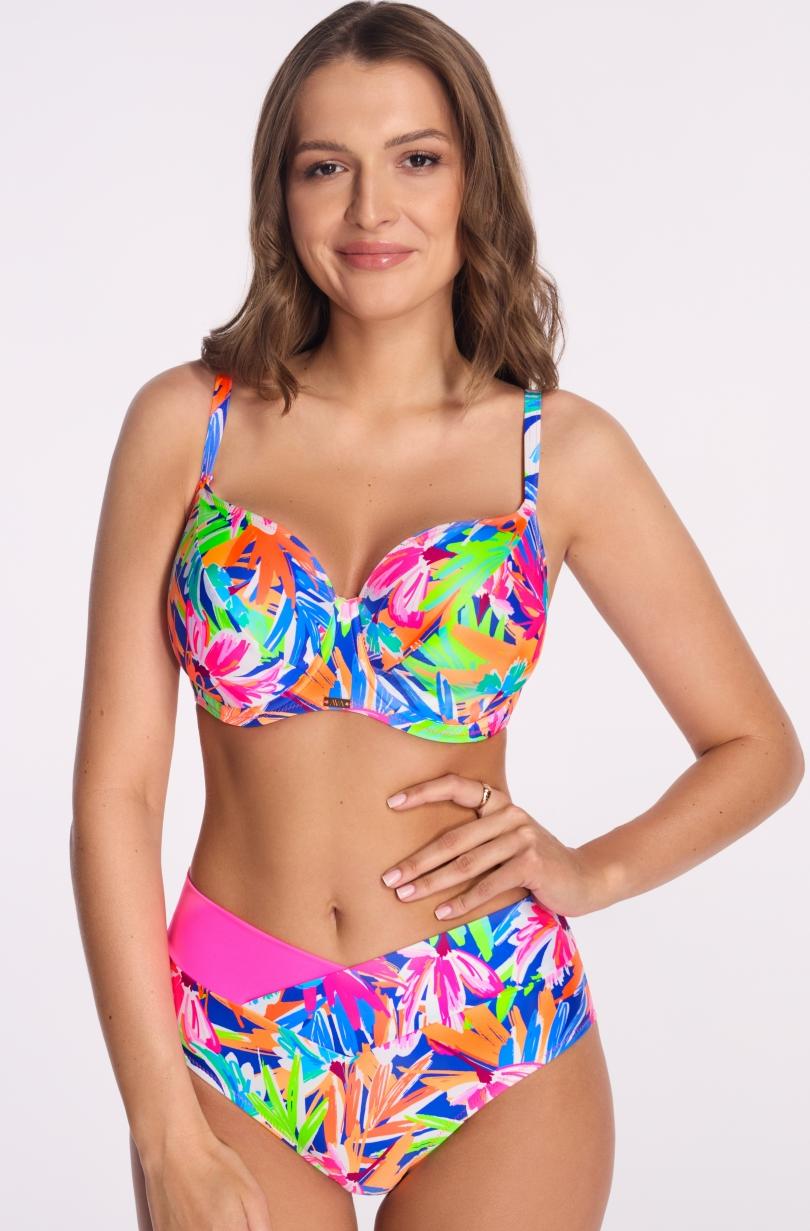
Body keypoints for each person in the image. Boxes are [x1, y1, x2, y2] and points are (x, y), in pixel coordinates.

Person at [69, 4, 804, 1231]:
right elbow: (115, 796)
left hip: (496, 1027)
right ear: (280, 195)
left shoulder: (560, 456)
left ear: (475, 183)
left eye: (416, 158)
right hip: (231, 1029)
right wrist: (160, 1125)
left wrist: (592, 871)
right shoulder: (187, 426)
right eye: (326, 167)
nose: (372, 210)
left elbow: (758, 745)